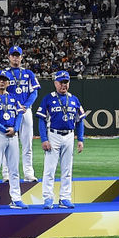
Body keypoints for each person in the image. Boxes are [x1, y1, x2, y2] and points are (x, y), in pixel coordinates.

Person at [37, 71, 85, 209]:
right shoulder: (48, 98)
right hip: (53, 135)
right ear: (55, 83)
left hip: (69, 136)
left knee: (67, 169)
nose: (64, 85)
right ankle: (48, 198)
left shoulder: (74, 99)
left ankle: (65, 198)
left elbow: (80, 121)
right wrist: (44, 139)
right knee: (49, 169)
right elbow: (41, 120)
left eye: (66, 82)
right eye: (61, 82)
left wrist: (80, 139)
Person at [0, 70, 28, 210]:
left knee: (14, 169)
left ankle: (16, 198)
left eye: (5, 80)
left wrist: (15, 128)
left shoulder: (14, 97)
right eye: (0, 79)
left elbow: (20, 114)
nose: (2, 82)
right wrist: (4, 129)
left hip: (12, 134)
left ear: (8, 82)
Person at [5, 46, 41, 182]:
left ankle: (28, 173)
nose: (15, 58)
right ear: (9, 57)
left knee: (27, 143)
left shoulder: (28, 73)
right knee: (8, 142)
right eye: (13, 55)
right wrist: (15, 104)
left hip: (25, 110)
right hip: (10, 111)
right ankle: (8, 173)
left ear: (21, 57)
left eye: (17, 55)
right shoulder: (5, 73)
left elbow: (35, 92)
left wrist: (25, 105)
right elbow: (2, 91)